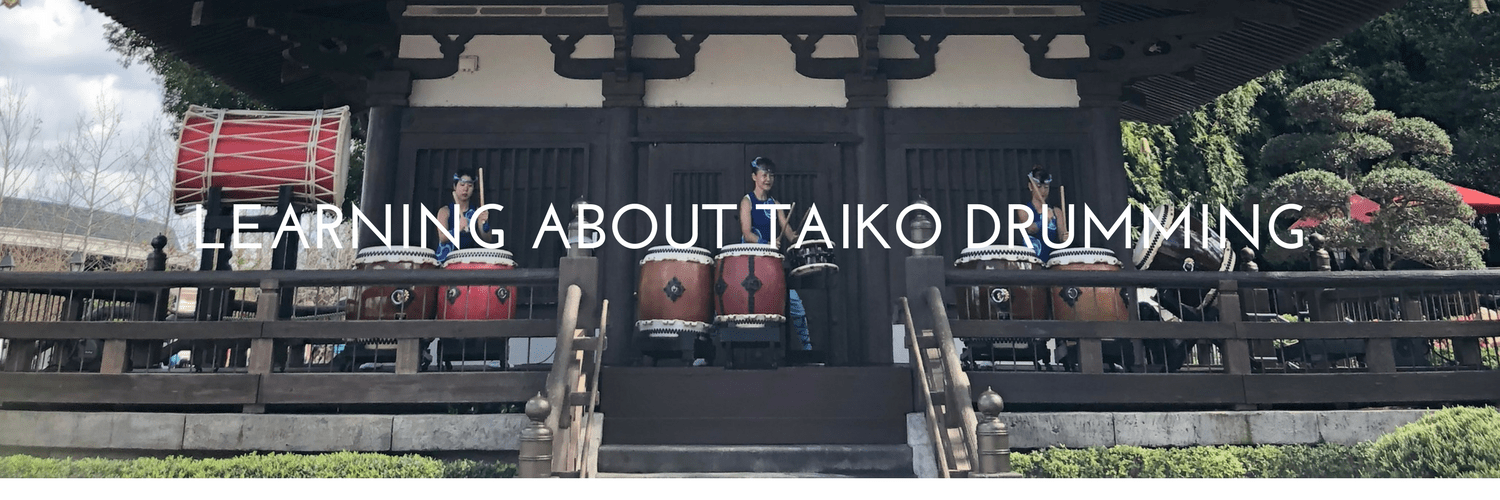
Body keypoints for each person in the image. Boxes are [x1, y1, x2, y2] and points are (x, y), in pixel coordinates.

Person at [738, 157, 812, 352]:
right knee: (733, 303)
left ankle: (807, 349)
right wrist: (767, 243)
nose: (768, 179)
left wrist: (797, 235)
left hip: (771, 264)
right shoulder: (747, 201)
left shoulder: (775, 203)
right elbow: (747, 232)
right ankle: (706, 351)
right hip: (750, 263)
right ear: (755, 177)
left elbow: (789, 235)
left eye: (771, 175)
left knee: (794, 304)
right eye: (764, 175)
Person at [435, 169, 492, 262]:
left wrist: (484, 224)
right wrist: (458, 229)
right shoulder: (445, 211)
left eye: (469, 186)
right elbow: (442, 238)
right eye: (462, 185)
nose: (465, 189)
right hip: (446, 260)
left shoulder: (477, 212)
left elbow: (487, 240)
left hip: (466, 259)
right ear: (455, 186)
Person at [1016, 166, 1069, 262]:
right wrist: (1045, 220)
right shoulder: (1023, 210)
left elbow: (1062, 236)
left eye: (1046, 187)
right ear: (1031, 186)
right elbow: (1030, 229)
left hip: (1051, 262)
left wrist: (1065, 238)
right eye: (1039, 187)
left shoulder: (1056, 212)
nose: (1043, 191)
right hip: (1031, 262)